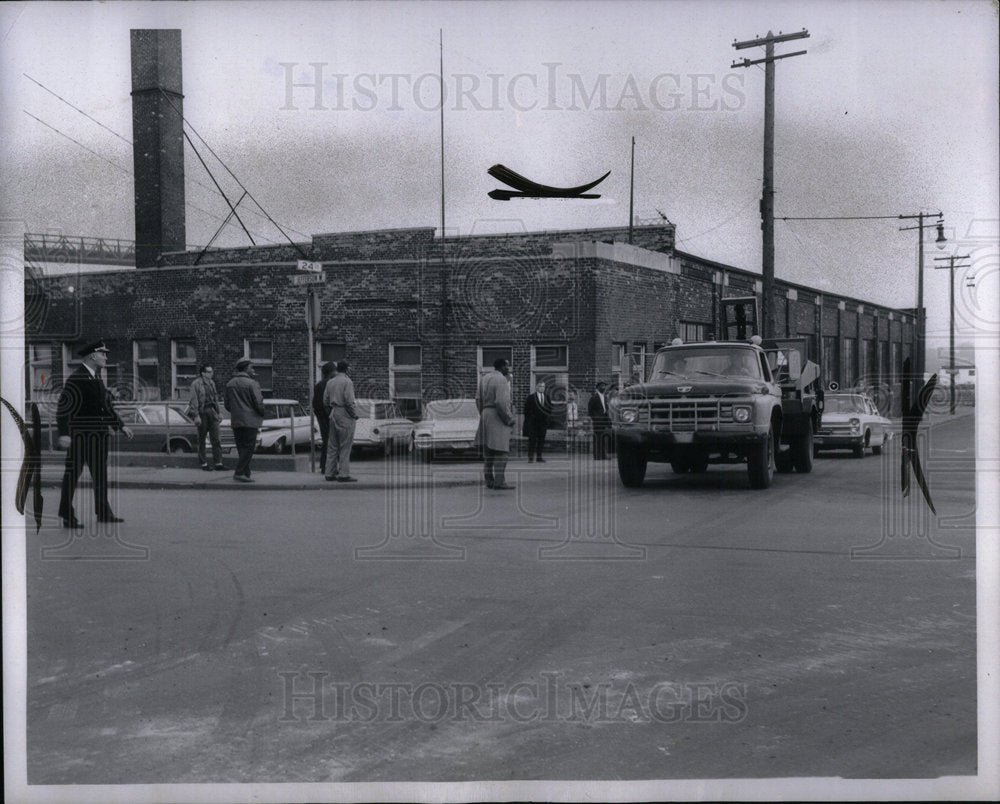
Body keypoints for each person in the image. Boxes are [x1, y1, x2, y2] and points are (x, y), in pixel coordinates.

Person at [56, 340, 134, 527]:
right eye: (103, 354)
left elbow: (105, 407)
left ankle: (103, 512)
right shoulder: (77, 378)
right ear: (93, 356)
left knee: (100, 476)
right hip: (80, 437)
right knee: (72, 475)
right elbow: (63, 408)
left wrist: (120, 426)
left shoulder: (96, 378)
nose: (106, 357)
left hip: (98, 437)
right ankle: (67, 515)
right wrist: (64, 433)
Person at [224, 357, 267, 482]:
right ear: (246, 368)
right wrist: (262, 412)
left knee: (241, 447)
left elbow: (227, 404)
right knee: (249, 448)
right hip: (250, 420)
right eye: (251, 367)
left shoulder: (230, 384)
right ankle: (239, 472)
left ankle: (246, 473)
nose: (252, 370)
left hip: (236, 420)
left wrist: (236, 411)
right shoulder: (252, 384)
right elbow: (258, 402)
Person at [476, 357, 516, 489]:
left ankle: (489, 480)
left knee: (488, 451)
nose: (508, 369)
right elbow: (500, 402)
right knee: (501, 451)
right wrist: (509, 419)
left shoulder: (484, 378)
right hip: (497, 415)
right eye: (507, 366)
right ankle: (500, 482)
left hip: (485, 414)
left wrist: (484, 412)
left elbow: (478, 399)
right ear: (502, 367)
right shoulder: (501, 379)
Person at [323, 359, 360, 482]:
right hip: (344, 414)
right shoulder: (347, 382)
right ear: (347, 369)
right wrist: (354, 415)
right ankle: (343, 474)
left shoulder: (330, 382)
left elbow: (325, 401)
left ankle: (329, 472)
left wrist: (331, 412)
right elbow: (349, 401)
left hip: (333, 413)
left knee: (332, 445)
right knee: (345, 446)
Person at [187, 364, 225, 471]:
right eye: (209, 372)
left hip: (212, 412)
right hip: (202, 412)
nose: (211, 374)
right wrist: (196, 415)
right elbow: (193, 401)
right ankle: (203, 463)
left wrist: (219, 412)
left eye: (212, 372)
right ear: (203, 373)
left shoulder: (212, 383)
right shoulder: (196, 384)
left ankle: (218, 462)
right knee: (202, 439)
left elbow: (215, 398)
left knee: (216, 439)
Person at [312, 361, 335, 474]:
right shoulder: (330, 384)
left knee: (326, 441)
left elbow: (315, 404)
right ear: (331, 372)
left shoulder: (319, 385)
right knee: (330, 442)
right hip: (328, 416)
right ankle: (327, 467)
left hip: (321, 416)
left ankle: (323, 465)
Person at [522, 380, 551, 462]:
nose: (542, 388)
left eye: (544, 387)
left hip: (543, 422)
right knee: (532, 440)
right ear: (537, 387)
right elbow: (526, 410)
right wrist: (529, 420)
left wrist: (548, 419)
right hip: (533, 423)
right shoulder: (531, 397)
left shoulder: (547, 397)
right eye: (541, 386)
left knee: (541, 439)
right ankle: (530, 457)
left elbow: (550, 409)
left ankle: (539, 456)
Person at [588, 381, 612, 460]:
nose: (603, 388)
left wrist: (608, 420)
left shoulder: (604, 397)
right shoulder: (594, 397)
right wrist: (595, 418)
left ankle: (603, 455)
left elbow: (605, 409)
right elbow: (590, 410)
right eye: (602, 386)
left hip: (604, 420)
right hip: (598, 421)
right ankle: (597, 456)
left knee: (603, 438)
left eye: (604, 386)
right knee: (597, 438)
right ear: (597, 388)